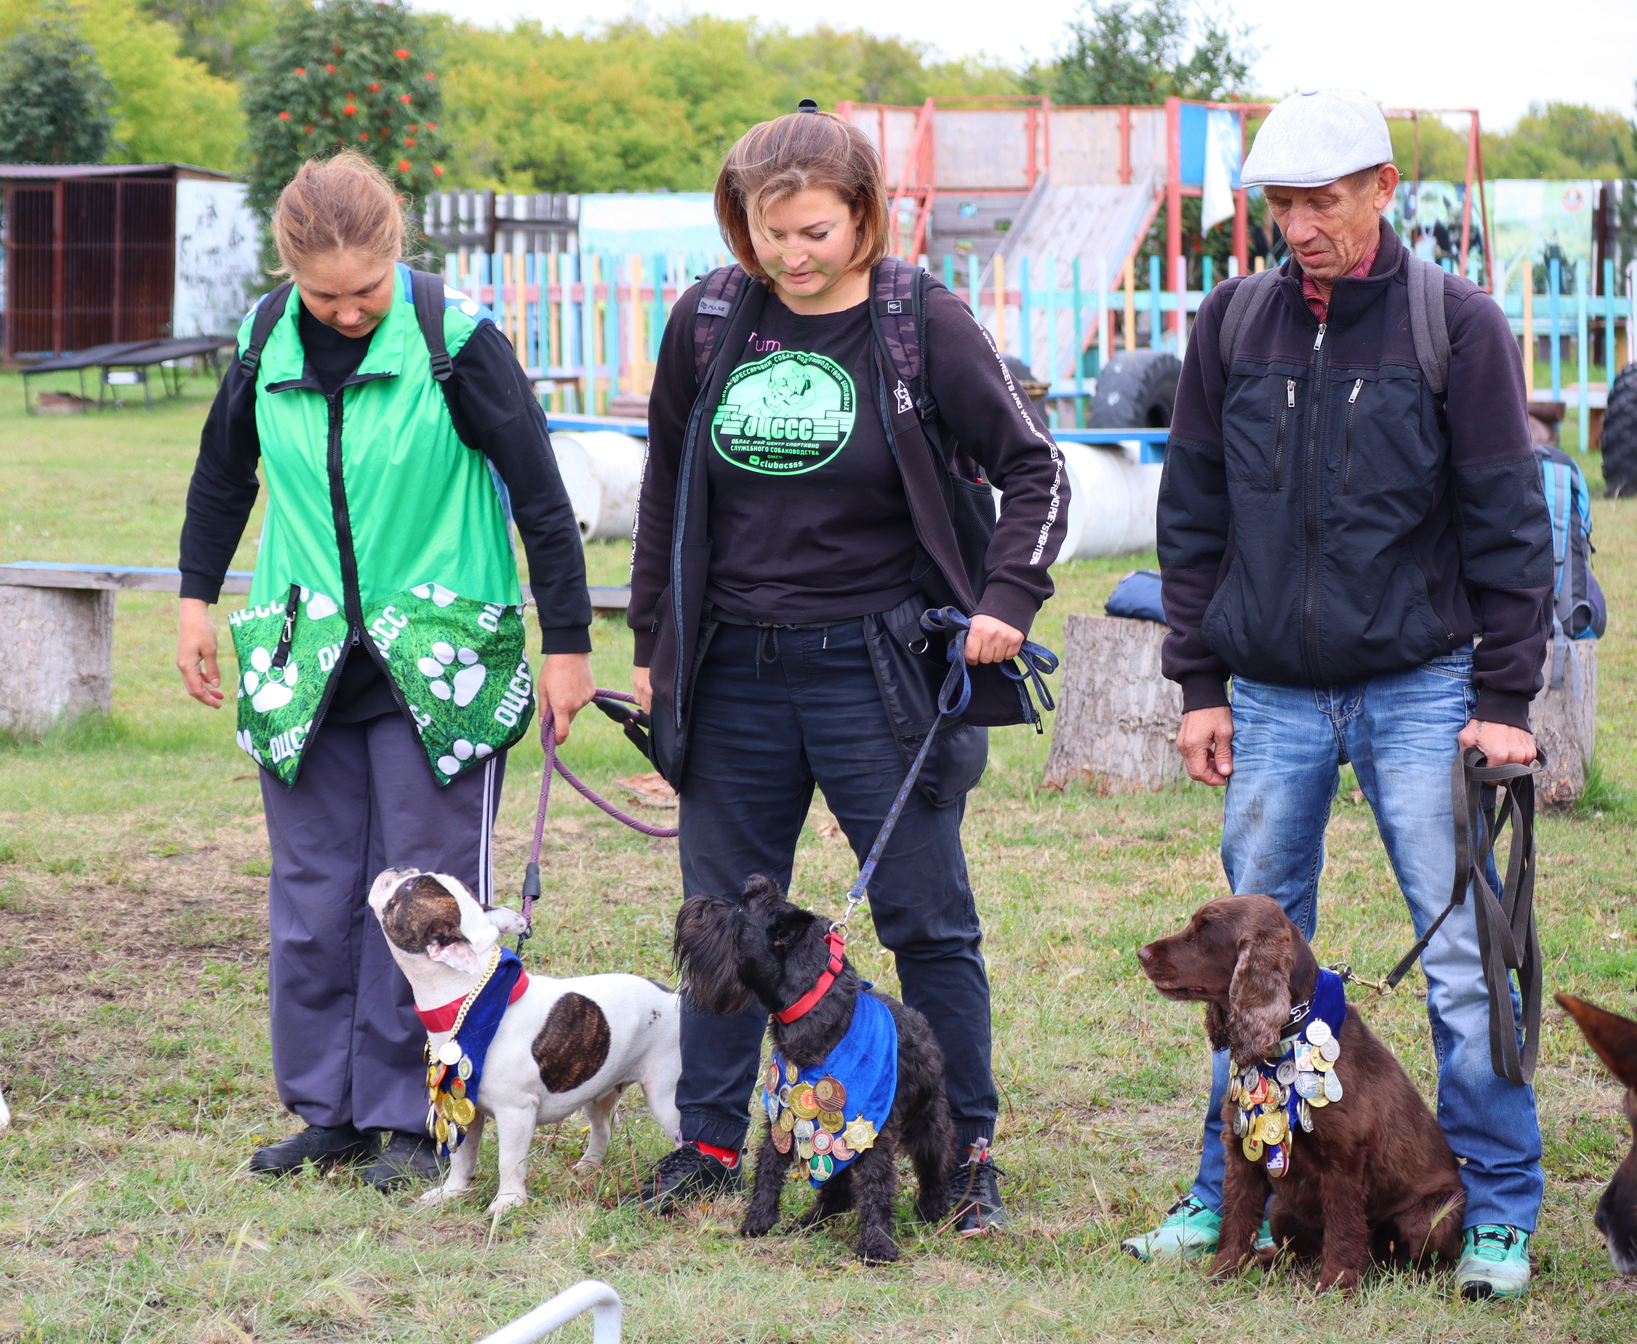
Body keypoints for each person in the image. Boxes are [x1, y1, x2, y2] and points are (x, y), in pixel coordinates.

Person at [1127, 89, 1551, 1300]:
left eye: (1322, 200)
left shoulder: (1454, 326)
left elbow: (1507, 524)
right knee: (1240, 969)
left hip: (1422, 690)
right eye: (1281, 205)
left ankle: (1491, 1209)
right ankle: (1228, 1199)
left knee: (1466, 957)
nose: (1299, 226)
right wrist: (1197, 678)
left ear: (1379, 187)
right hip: (1263, 695)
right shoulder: (1230, 322)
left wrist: (1506, 696)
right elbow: (1191, 512)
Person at [623, 105, 1067, 1226]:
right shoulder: (710, 321)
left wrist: (1004, 599)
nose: (790, 254)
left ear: (863, 214)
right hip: (733, 673)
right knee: (718, 918)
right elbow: (664, 494)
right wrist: (654, 652)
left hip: (878, 673)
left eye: (814, 230)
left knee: (925, 920)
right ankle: (712, 1141)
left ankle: (962, 1156)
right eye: (768, 232)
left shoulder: (921, 321)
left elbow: (1035, 468)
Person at [176, 151, 595, 1190]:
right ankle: (329, 1110)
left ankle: (421, 1118)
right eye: (326, 295)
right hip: (302, 660)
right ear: (289, 278)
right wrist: (194, 600)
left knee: (432, 910)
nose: (349, 312)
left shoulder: (456, 339)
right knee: (313, 899)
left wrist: (570, 645)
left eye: (366, 290)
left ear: (397, 254)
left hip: (440, 664)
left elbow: (541, 497)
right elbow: (222, 473)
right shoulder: (264, 337)